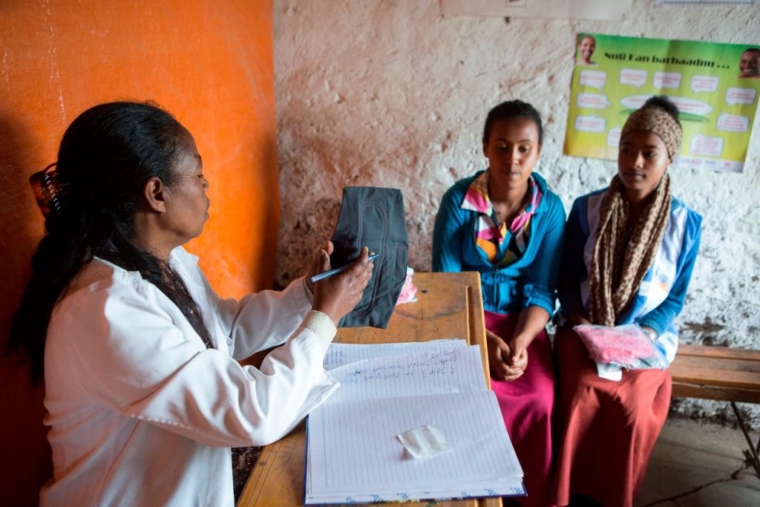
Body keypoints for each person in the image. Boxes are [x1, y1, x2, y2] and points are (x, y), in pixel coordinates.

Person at [10, 101, 375, 506]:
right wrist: (323, 319)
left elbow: (225, 331)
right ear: (156, 193)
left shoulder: (163, 263)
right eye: (198, 176)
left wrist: (309, 292)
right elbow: (252, 415)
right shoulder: (104, 311)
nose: (206, 188)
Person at [551, 96, 702, 507]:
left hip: (644, 340)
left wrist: (642, 335)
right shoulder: (588, 209)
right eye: (627, 150)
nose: (635, 162)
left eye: (649, 153)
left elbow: (674, 299)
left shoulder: (685, 225)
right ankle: (567, 493)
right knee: (583, 388)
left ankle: (614, 496)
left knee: (633, 407)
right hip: (584, 330)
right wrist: (583, 324)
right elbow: (566, 282)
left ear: (669, 158)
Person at [433, 100, 566, 507]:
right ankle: (470, 492)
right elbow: (447, 288)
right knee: (467, 392)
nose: (513, 158)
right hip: (465, 321)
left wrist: (522, 343)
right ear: (485, 147)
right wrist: (484, 340)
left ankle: (527, 497)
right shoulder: (458, 204)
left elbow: (543, 291)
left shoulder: (549, 211)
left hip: (525, 323)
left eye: (525, 148)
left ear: (539, 152)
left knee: (540, 397)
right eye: (502, 146)